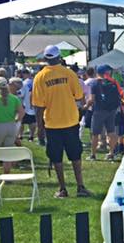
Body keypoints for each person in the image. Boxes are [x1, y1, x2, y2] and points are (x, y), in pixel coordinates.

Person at [31, 45, 91, 198]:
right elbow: (78, 96)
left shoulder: (40, 77)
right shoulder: (69, 73)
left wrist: (40, 128)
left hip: (52, 123)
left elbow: (38, 106)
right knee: (75, 155)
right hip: (70, 121)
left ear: (45, 59)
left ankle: (63, 189)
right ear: (59, 58)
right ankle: (80, 187)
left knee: (56, 157)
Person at [87, 64, 123, 161]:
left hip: (99, 110)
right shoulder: (113, 83)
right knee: (111, 132)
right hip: (111, 110)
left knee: (95, 133)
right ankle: (111, 153)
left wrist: (86, 106)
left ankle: (93, 155)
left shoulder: (95, 83)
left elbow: (92, 99)